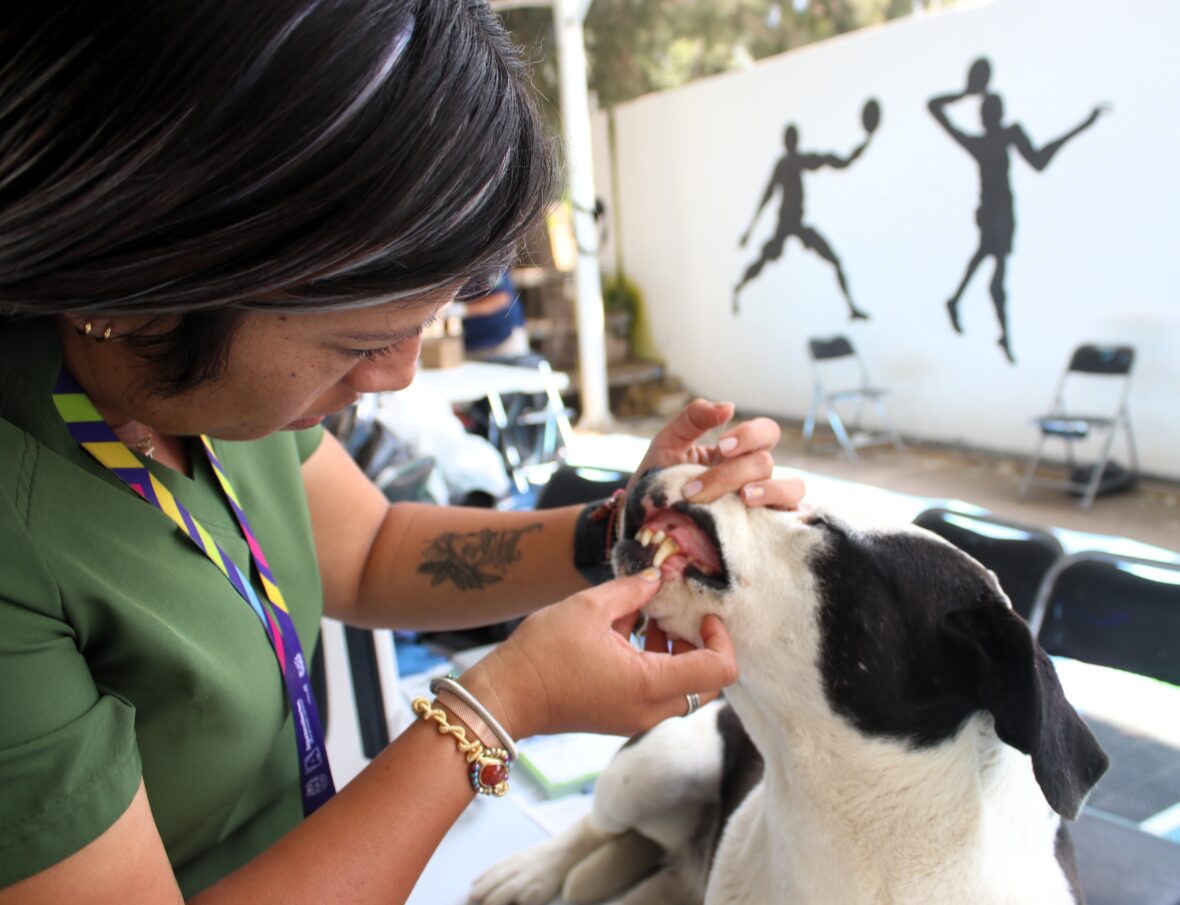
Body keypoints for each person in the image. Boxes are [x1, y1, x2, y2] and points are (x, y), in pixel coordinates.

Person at [0, 4, 806, 904]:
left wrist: (629, 527)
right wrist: (501, 703)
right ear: (148, 282)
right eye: (360, 343)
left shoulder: (210, 389)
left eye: (426, 324)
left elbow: (370, 547)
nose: (395, 378)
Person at [928, 57, 1106, 364]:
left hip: (996, 213)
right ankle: (993, 327)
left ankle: (964, 306)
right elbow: (1040, 160)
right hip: (995, 214)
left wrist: (966, 93)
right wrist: (968, 91)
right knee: (994, 272)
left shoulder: (987, 141)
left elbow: (1039, 161)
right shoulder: (992, 140)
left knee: (988, 263)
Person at [733, 104, 879, 319]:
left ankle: (852, 308)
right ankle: (739, 289)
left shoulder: (801, 161)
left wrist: (865, 141)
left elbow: (840, 161)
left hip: (798, 224)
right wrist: (750, 230)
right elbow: (766, 196)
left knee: (834, 260)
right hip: (784, 224)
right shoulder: (783, 165)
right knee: (763, 261)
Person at [456, 269, 531, 360]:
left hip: (504, 339)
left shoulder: (489, 264)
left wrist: (462, 309)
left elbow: (501, 299)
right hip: (474, 341)